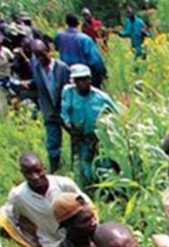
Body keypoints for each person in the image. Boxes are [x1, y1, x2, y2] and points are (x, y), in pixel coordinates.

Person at [0, 152, 82, 247]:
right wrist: (32, 242)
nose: (35, 177)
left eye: (38, 171)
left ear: (44, 168)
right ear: (22, 173)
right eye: (29, 173)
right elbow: (12, 219)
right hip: (51, 245)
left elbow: (87, 206)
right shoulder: (18, 196)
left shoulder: (64, 184)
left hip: (80, 238)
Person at [61, 64, 118, 185]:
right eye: (78, 80)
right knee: (84, 163)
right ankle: (89, 186)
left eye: (84, 79)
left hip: (99, 136)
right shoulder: (69, 93)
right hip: (81, 136)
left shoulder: (101, 98)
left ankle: (108, 187)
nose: (81, 83)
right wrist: (68, 124)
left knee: (104, 162)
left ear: (90, 80)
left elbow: (116, 115)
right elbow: (64, 111)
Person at [31, 40, 71, 172]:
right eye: (37, 56)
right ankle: (54, 170)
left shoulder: (62, 68)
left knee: (77, 137)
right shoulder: (36, 69)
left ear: (49, 51)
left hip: (65, 110)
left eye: (43, 54)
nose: (41, 59)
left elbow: (70, 90)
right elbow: (39, 89)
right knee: (52, 143)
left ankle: (78, 165)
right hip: (49, 110)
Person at [54, 13, 106, 86]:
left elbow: (56, 48)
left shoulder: (59, 36)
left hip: (65, 75)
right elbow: (95, 60)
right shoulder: (85, 39)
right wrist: (103, 73)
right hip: (82, 76)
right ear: (78, 24)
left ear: (66, 23)